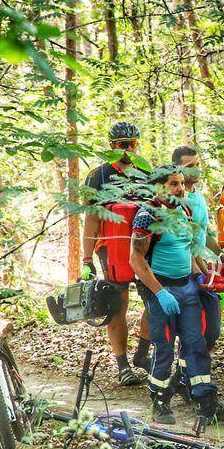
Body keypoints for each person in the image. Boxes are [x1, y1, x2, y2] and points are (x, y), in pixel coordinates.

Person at [129, 167, 224, 428]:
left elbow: (188, 247)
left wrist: (200, 274)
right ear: (159, 187)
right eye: (173, 184)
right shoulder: (147, 215)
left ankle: (205, 402)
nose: (180, 189)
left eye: (181, 184)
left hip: (187, 287)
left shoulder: (184, 211)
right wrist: (160, 293)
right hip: (160, 290)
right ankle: (159, 401)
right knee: (164, 348)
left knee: (196, 344)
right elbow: (136, 259)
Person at [81, 121, 152, 386]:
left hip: (142, 245)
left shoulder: (146, 173)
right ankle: (123, 365)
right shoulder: (98, 176)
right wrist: (86, 258)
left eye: (132, 144)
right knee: (118, 306)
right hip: (110, 247)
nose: (128, 150)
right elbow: (91, 219)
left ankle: (143, 354)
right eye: (123, 145)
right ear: (112, 146)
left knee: (154, 301)